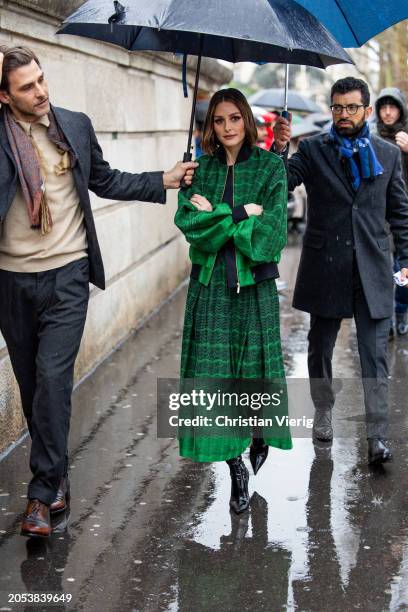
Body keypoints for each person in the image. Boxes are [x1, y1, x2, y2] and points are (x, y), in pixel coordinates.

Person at [0, 45, 197, 537]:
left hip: (67, 274)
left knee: (52, 378)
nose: (41, 91)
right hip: (11, 282)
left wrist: (163, 179)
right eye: (26, 86)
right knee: (33, 387)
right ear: (4, 96)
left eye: (41, 79)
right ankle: (58, 474)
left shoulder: (74, 125)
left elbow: (105, 180)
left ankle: (42, 496)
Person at [273, 77, 408, 464]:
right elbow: (281, 184)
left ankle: (377, 438)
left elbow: (399, 212)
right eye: (337, 107)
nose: (343, 114)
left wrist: (406, 260)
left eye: (351, 107)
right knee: (320, 347)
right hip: (326, 263)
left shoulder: (386, 153)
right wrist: (280, 149)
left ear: (366, 110)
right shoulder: (313, 149)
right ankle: (323, 408)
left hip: (373, 267)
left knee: (374, 354)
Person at [174, 88, 292, 515]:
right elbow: (190, 224)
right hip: (209, 290)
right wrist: (241, 213)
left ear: (247, 120)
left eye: (234, 119)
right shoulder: (198, 171)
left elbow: (271, 237)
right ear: (210, 126)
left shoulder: (270, 168)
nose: (227, 128)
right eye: (219, 121)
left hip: (255, 289)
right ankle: (234, 467)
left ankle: (258, 434)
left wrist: (219, 218)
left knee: (253, 374)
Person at [374, 88, 408, 336]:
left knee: (403, 270)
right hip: (379, 216)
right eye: (383, 107)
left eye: (392, 107)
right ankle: (386, 320)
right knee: (383, 271)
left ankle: (401, 311)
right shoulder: (372, 138)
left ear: (401, 110)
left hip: (404, 215)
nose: (387, 112)